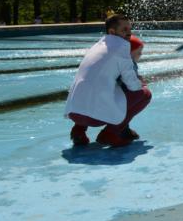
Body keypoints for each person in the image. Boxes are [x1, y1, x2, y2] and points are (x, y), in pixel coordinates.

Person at [64, 14, 152, 147]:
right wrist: (141, 83)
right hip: (94, 117)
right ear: (112, 32)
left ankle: (78, 130)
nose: (129, 33)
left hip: (74, 112)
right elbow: (133, 86)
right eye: (124, 30)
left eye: (129, 29)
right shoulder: (121, 48)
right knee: (144, 94)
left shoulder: (97, 46)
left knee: (92, 86)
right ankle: (110, 133)